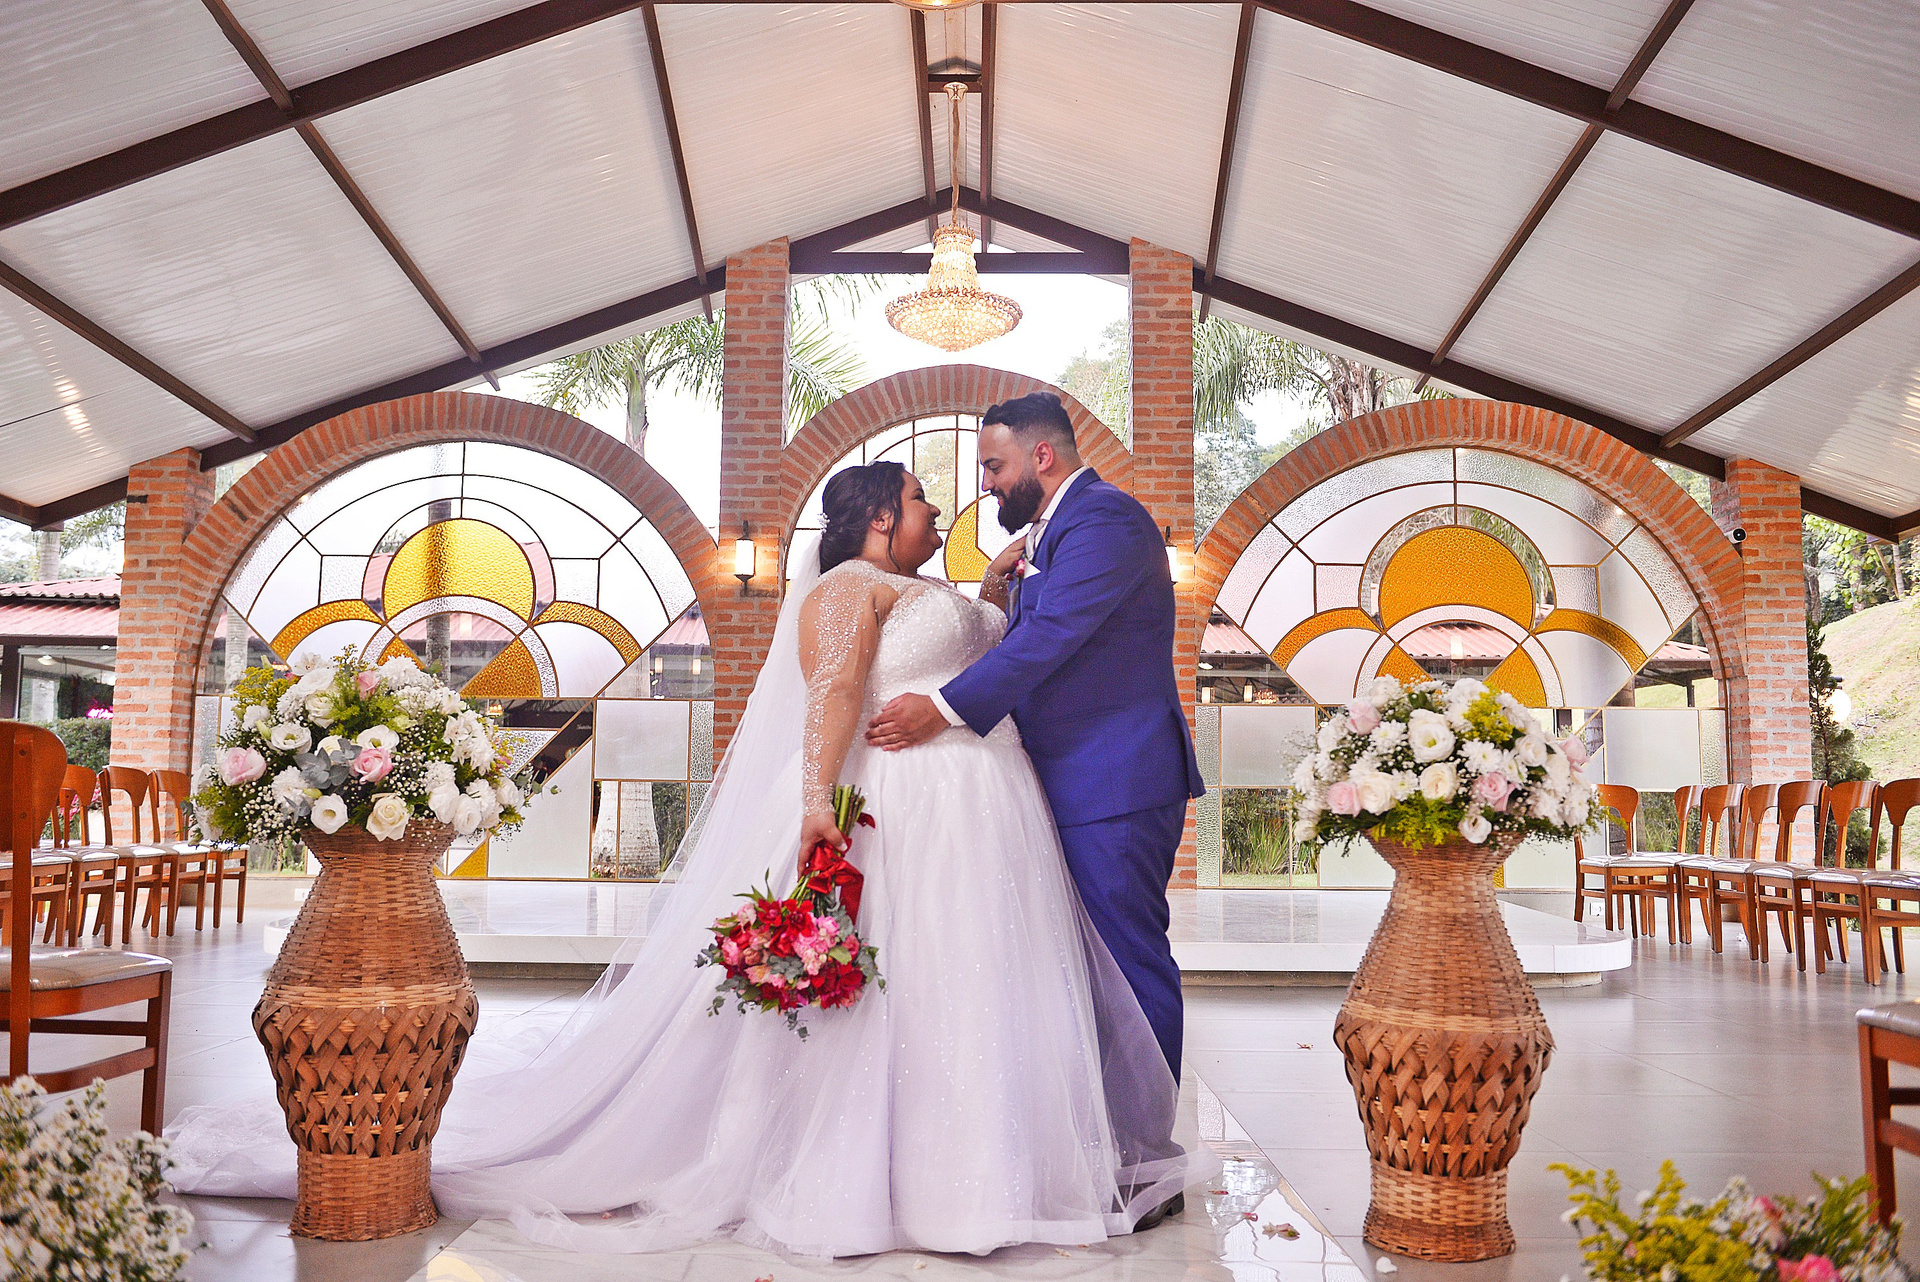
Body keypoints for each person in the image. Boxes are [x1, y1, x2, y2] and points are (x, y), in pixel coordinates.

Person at [166, 460, 1199, 1258]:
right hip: (905, 807)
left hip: (979, 815)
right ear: (882, 517)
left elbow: (967, 657)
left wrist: (993, 592)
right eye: (923, 500)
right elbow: (838, 693)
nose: (940, 512)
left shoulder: (919, 585)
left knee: (967, 986)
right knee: (906, 986)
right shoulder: (849, 586)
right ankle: (888, 1178)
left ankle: (987, 1169)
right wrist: (816, 804)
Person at [866, 392, 1205, 1226]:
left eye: (994, 465)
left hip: (1115, 781)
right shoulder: (1054, 533)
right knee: (1083, 969)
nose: (985, 483)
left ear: (1041, 457)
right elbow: (1031, 634)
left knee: (1127, 964)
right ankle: (1099, 1144)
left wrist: (943, 708)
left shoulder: (1106, 522)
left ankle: (1145, 1166)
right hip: (1070, 779)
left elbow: (1050, 641)